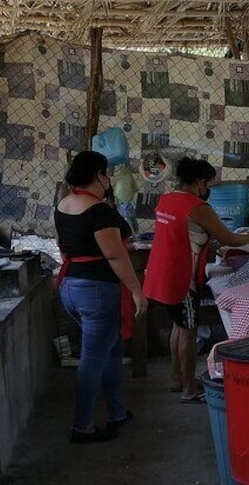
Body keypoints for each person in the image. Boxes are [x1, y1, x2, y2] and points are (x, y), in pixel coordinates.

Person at [143, 158, 249, 404]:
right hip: (181, 279)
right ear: (200, 182)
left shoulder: (166, 201)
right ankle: (190, 389)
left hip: (160, 274)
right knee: (188, 332)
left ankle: (176, 377)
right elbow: (229, 238)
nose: (208, 188)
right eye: (208, 183)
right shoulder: (197, 207)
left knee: (179, 327)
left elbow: (187, 234)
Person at [54, 151, 146, 444]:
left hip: (70, 287)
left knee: (112, 350)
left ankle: (117, 413)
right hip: (95, 291)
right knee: (92, 359)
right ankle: (82, 427)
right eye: (106, 174)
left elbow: (63, 245)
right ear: (97, 175)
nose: (108, 179)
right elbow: (114, 254)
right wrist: (136, 289)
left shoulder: (64, 204)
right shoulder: (99, 211)